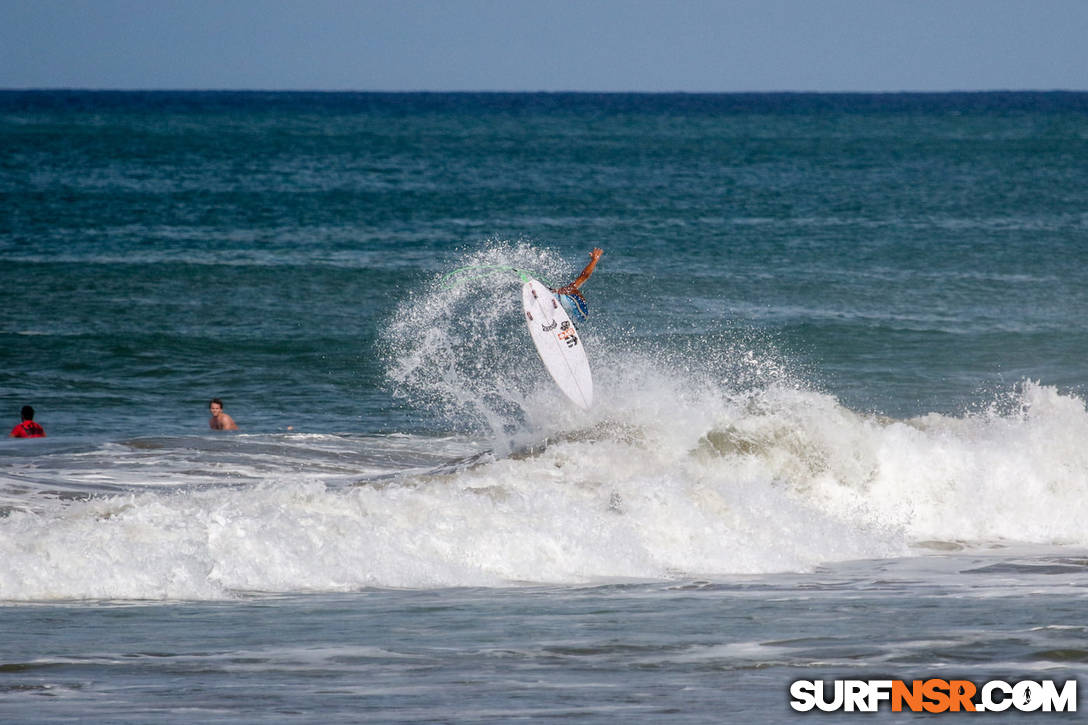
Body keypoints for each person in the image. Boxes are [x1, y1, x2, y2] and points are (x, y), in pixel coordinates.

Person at [551, 247, 603, 323]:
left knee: (571, 289)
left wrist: (594, 260)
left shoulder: (570, 291)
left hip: (580, 312)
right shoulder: (554, 295)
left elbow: (584, 276)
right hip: (569, 313)